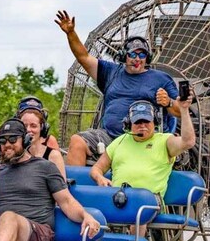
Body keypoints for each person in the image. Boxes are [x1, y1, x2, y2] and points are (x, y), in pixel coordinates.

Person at [55, 10, 184, 166]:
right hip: (109, 138)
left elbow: (180, 110)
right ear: (124, 56)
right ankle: (74, 188)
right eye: (133, 54)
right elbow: (83, 57)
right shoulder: (111, 72)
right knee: (77, 141)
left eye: (142, 55)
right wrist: (70, 33)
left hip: (143, 141)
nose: (138, 59)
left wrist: (169, 102)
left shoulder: (161, 79)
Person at [89, 95, 196, 237]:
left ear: (155, 122)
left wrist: (183, 110)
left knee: (138, 206)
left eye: (147, 121)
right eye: (138, 122)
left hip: (149, 200)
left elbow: (188, 142)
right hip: (118, 196)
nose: (142, 126)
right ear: (128, 123)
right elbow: (96, 169)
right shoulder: (119, 141)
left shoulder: (165, 141)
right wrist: (99, 178)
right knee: (92, 209)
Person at [0, 82, 66, 178]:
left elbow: (61, 185)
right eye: (24, 125)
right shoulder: (9, 139)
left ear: (42, 127)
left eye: (33, 125)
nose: (29, 130)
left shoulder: (51, 149)